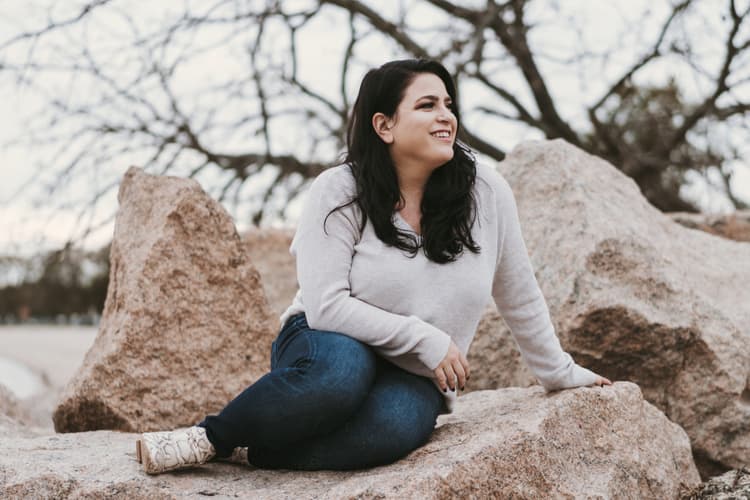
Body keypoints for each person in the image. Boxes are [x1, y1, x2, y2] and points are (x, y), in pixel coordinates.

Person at [135, 59, 612, 475]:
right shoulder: (338, 190)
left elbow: (518, 290)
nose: (446, 116)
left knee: (392, 428)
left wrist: (559, 372)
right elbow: (325, 307)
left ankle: (270, 452)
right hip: (327, 343)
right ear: (384, 126)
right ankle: (209, 438)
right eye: (427, 106)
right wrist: (426, 338)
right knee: (342, 376)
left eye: (448, 104)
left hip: (413, 372)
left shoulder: (486, 192)